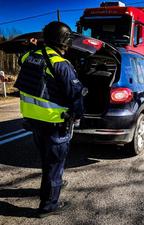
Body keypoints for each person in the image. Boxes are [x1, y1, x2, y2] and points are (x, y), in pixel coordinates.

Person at [14, 21, 86, 217]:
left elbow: (23, 61)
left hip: (33, 120)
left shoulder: (30, 56)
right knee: (54, 164)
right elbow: (76, 94)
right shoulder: (61, 64)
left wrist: (34, 46)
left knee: (48, 160)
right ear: (64, 40)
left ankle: (52, 186)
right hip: (55, 123)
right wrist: (78, 115)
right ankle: (48, 206)